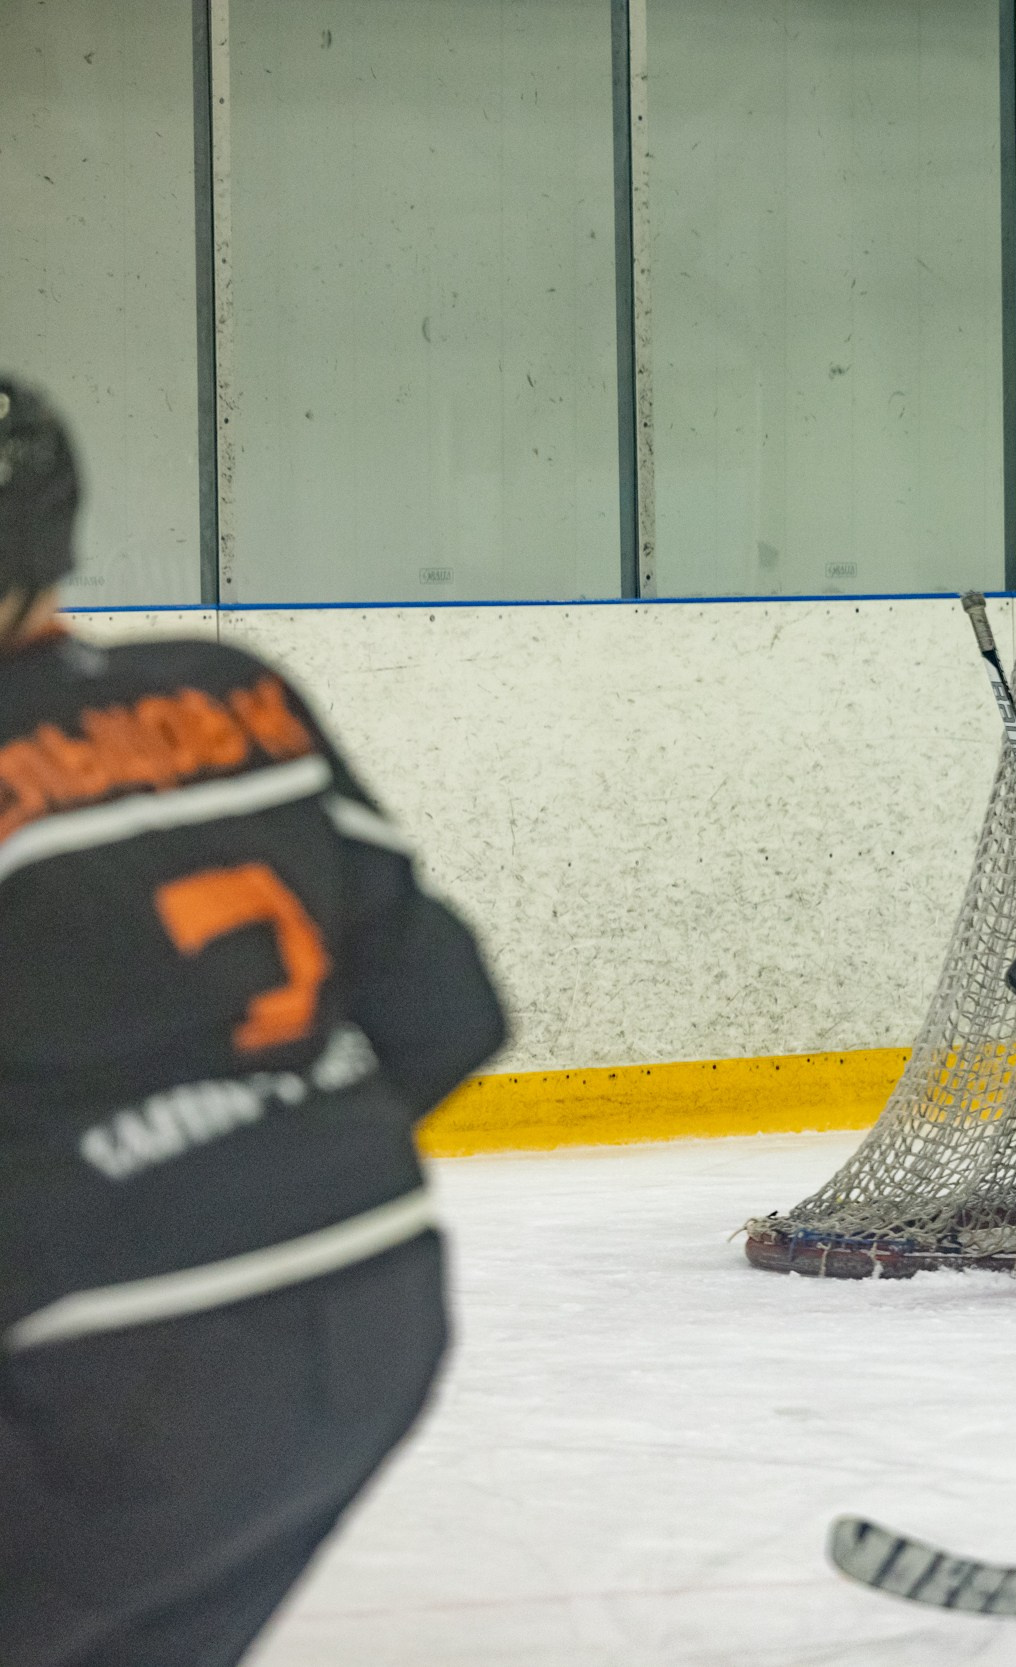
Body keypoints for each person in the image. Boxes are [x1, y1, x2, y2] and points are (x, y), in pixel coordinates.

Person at [0, 379, 508, 1667]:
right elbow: (449, 1012)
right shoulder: (234, 693)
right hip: (370, 1308)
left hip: (99, 1379)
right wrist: (253, 1150)